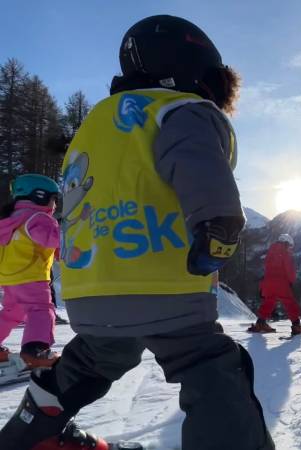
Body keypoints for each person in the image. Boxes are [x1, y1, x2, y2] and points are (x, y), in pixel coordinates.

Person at [0, 15, 274, 450]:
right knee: (209, 364)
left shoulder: (94, 127)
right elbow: (198, 165)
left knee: (94, 357)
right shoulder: (181, 110)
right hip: (163, 282)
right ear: (192, 68)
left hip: (90, 291)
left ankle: (28, 431)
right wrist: (217, 226)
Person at [0, 174, 61, 368]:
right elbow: (51, 239)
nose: (55, 205)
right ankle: (36, 351)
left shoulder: (8, 219)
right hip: (31, 276)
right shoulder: (39, 218)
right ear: (40, 196)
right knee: (40, 310)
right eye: (54, 199)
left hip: (8, 278)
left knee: (12, 312)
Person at [248, 233, 301, 335]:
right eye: (289, 246)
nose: (290, 248)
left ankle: (260, 323)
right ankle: (296, 325)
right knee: (289, 302)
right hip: (280, 282)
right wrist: (291, 282)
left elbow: (267, 268)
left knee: (269, 302)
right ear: (286, 243)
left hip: (267, 282)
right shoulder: (285, 253)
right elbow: (289, 270)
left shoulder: (270, 252)